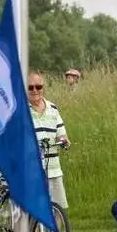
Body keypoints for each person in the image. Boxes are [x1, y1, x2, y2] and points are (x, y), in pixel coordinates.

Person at [29, 72, 71, 209]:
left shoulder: (53, 108)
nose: (35, 90)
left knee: (58, 209)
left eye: (38, 86)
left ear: (43, 88)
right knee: (34, 211)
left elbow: (61, 134)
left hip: (53, 168)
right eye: (30, 87)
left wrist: (64, 140)